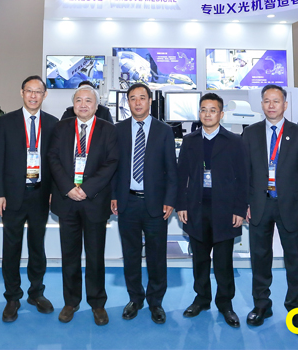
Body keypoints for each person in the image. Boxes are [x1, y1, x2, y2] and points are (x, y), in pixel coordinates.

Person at [243, 84, 298, 336]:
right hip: (259, 205)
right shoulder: (250, 133)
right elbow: (245, 173)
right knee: (259, 258)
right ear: (261, 104)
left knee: (294, 260)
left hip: (291, 207)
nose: (271, 105)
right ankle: (261, 305)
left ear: (285, 104)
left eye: (276, 101)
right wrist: (245, 204)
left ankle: (296, 310)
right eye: (266, 101)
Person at [47, 84, 119, 326]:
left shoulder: (108, 130)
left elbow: (111, 162)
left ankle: (97, 303)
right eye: (79, 100)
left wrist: (87, 189)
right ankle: (71, 301)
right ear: (73, 104)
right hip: (66, 200)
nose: (83, 104)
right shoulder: (61, 127)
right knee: (69, 254)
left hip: (94, 201)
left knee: (95, 255)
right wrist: (68, 187)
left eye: (89, 100)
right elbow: (52, 158)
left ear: (96, 106)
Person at [176, 93, 248, 327]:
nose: (207, 114)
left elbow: (243, 178)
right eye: (203, 110)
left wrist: (239, 209)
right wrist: (181, 205)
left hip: (225, 210)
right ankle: (202, 299)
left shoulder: (235, 141)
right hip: (196, 209)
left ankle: (225, 304)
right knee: (200, 259)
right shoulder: (190, 141)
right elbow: (181, 176)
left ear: (221, 114)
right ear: (199, 113)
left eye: (213, 110)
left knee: (223, 261)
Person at [0, 76, 59, 322]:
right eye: (29, 91)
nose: (33, 95)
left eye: (38, 91)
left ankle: (36, 293)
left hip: (41, 194)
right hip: (12, 195)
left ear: (44, 95)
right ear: (21, 93)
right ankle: (12, 296)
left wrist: (54, 191)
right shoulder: (6, 122)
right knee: (11, 247)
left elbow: (56, 162)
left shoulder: (52, 123)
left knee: (37, 246)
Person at [110, 83, 177, 324]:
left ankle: (155, 302)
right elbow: (113, 167)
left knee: (157, 256)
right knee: (130, 254)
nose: (137, 102)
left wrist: (170, 199)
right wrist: (113, 195)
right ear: (127, 102)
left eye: (142, 98)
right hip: (127, 202)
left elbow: (172, 169)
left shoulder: (164, 130)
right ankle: (135, 299)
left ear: (150, 101)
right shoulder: (118, 130)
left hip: (155, 204)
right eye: (132, 98)